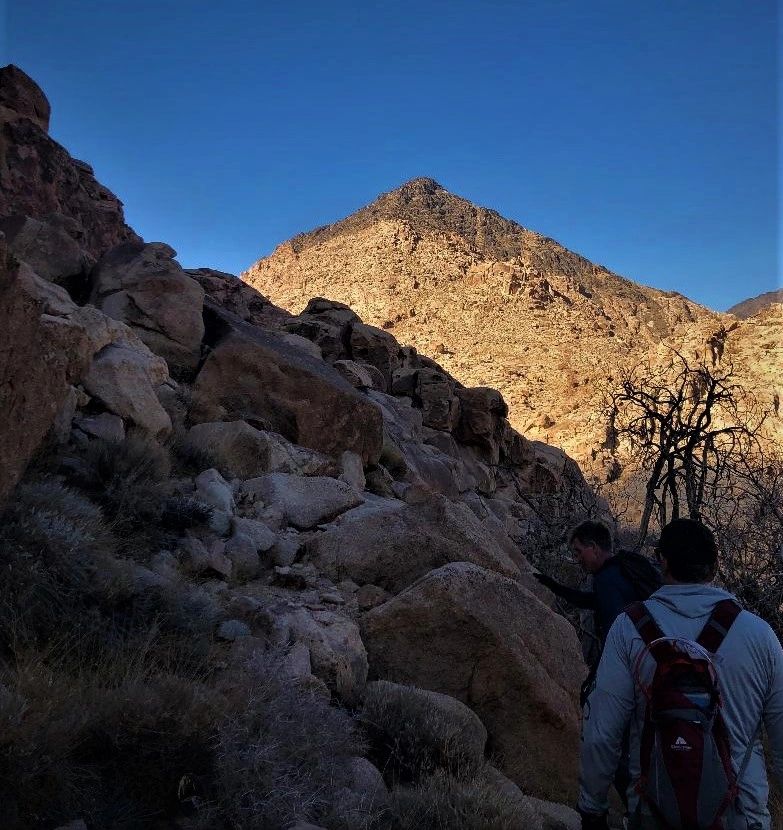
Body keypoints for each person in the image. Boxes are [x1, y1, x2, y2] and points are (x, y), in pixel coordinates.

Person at [578, 518, 783, 830]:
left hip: (653, 813)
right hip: (741, 815)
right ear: (714, 567)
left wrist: (592, 808)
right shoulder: (759, 635)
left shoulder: (629, 629)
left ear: (662, 561)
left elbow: (601, 735)